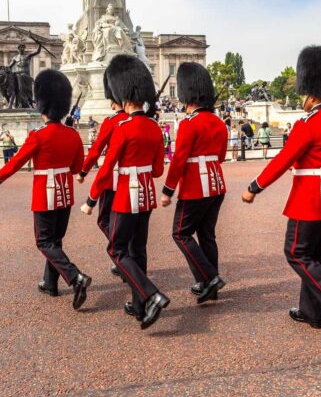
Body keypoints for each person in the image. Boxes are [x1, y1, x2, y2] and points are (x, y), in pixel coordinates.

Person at [242, 45, 321, 344]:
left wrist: (254, 187)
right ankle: (310, 312)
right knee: (315, 256)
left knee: (296, 253)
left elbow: (282, 159)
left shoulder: (307, 124)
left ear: (311, 94)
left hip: (311, 200)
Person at [0, 69, 91, 310]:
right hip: (65, 194)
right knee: (55, 240)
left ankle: (75, 277)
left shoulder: (39, 135)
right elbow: (78, 167)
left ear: (42, 106)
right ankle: (49, 283)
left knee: (44, 242)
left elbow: (17, 161)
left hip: (45, 195)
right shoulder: (73, 135)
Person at [81, 54, 168, 330]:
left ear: (122, 95)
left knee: (117, 249)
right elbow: (157, 171)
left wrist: (91, 199)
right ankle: (139, 304)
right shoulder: (155, 128)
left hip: (125, 196)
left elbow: (107, 168)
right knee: (138, 250)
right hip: (147, 195)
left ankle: (151, 294)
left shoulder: (123, 128)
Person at [161, 62, 228, 302]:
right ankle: (210, 285)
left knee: (180, 233)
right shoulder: (219, 123)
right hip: (216, 185)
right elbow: (220, 156)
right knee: (207, 235)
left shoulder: (189, 123)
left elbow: (179, 159)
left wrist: (168, 190)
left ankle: (209, 277)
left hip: (195, 188)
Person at [76, 70, 128, 278]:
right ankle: (124, 257)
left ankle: (122, 255)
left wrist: (83, 171)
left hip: (112, 178)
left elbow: (97, 149)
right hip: (133, 180)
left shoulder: (112, 121)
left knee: (104, 220)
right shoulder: (136, 120)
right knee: (125, 220)